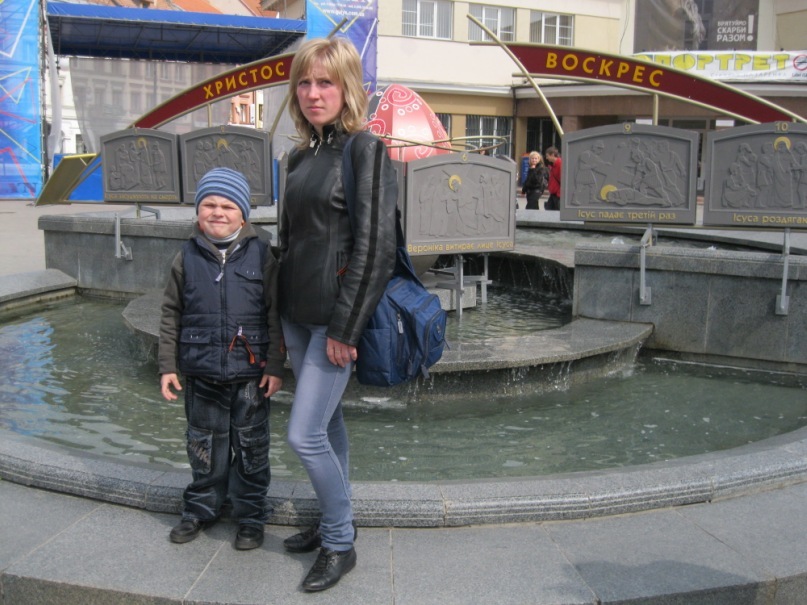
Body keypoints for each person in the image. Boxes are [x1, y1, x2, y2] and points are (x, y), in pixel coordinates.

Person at [278, 37, 398, 592]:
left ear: (347, 87)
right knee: (327, 425)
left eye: (325, 82)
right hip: (295, 313)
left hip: (333, 318)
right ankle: (335, 517)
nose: (313, 93)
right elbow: (289, 242)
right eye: (304, 82)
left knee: (304, 435)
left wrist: (347, 328)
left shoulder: (364, 149)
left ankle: (339, 541)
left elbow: (377, 247)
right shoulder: (298, 158)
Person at [158, 167, 284, 550]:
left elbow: (276, 314)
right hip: (202, 372)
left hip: (251, 375)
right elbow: (170, 313)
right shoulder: (185, 256)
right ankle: (200, 509)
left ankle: (250, 516)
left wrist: (275, 366)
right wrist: (167, 366)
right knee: (204, 447)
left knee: (251, 449)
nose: (217, 212)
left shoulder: (263, 253)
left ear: (243, 215)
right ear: (198, 212)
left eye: (228, 206)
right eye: (209, 204)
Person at [545, 146, 563, 210]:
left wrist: (559, 194)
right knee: (549, 211)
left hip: (558, 194)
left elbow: (562, 180)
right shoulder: (554, 164)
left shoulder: (560, 164)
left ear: (552, 155)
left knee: (556, 212)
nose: (546, 158)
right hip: (554, 193)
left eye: (547, 156)